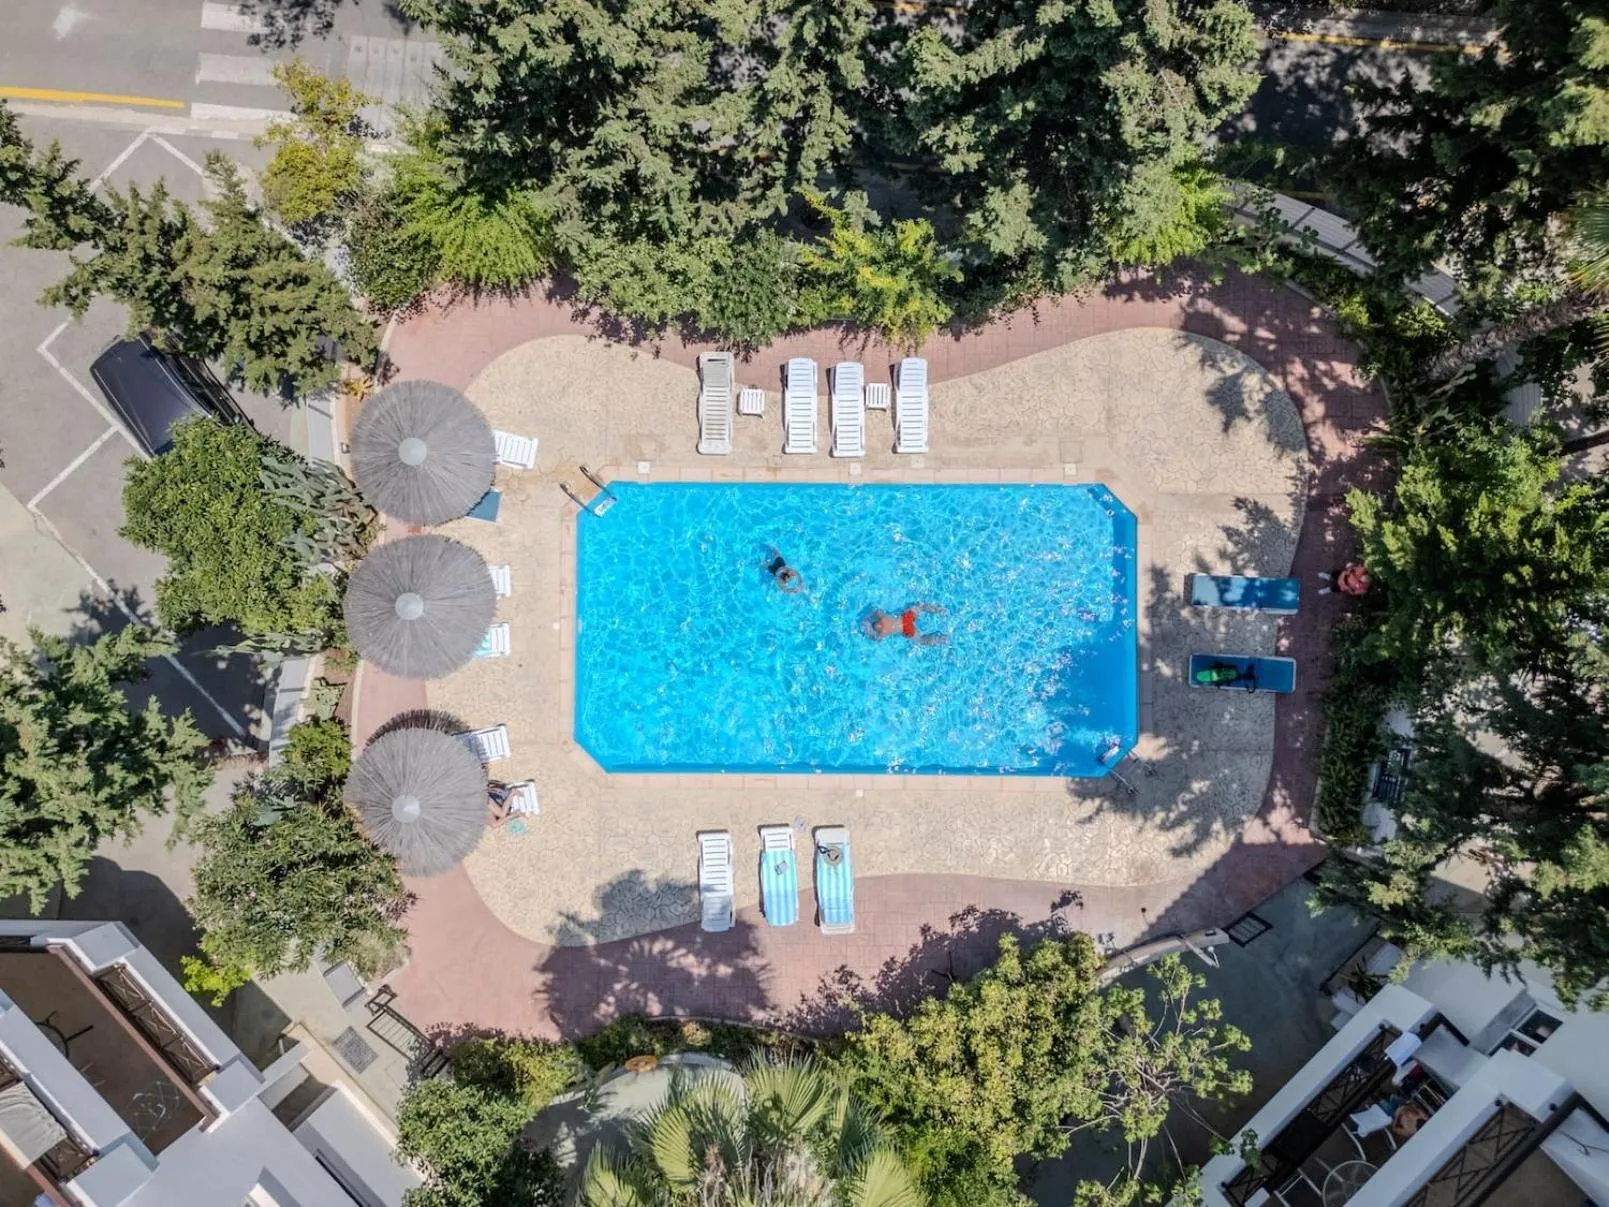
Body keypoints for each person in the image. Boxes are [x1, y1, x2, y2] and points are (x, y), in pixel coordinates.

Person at [863, 602, 947, 645]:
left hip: (906, 629)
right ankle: (938, 609)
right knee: (919, 606)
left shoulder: (883, 632)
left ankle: (941, 639)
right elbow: (877, 610)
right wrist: (869, 616)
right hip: (905, 618)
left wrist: (868, 632)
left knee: (921, 640)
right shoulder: (883, 618)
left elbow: (876, 638)